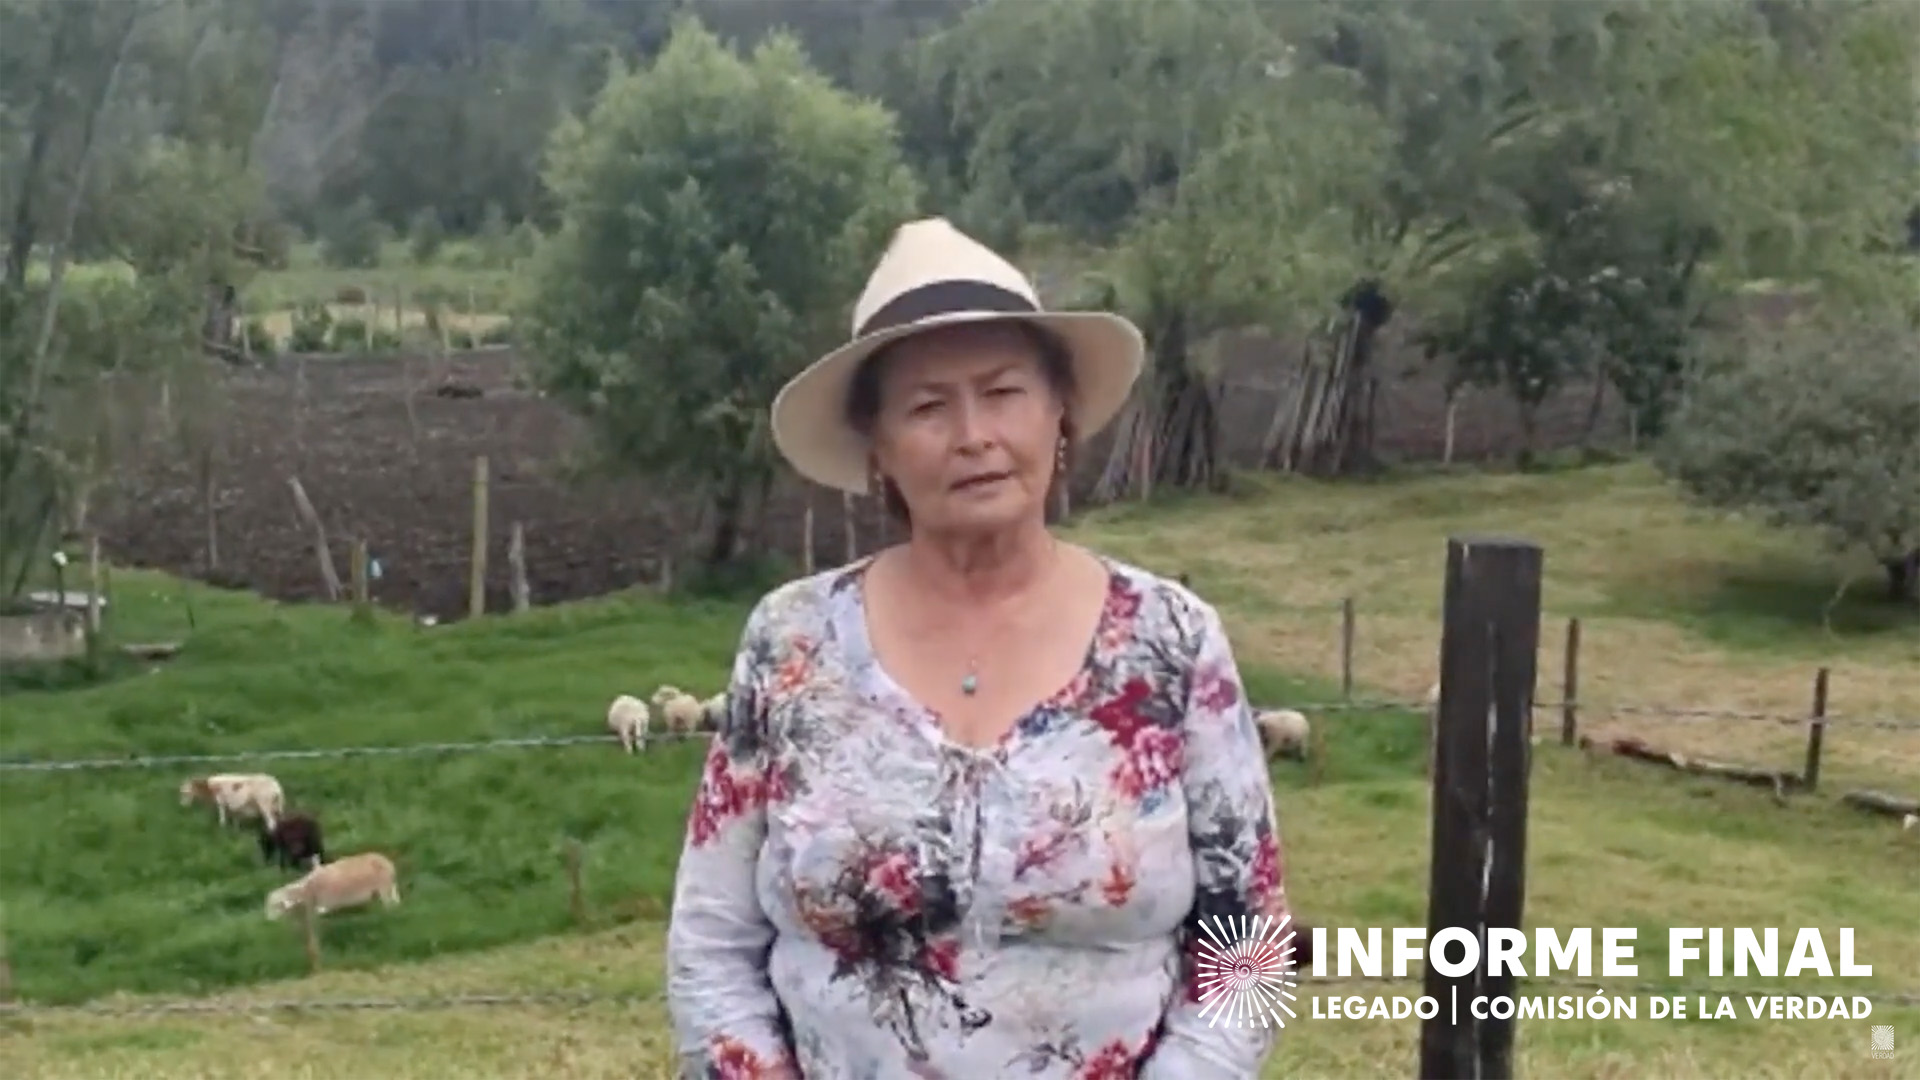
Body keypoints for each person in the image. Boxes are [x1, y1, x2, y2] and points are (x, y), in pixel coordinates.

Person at [666, 217, 1291, 1078]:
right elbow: (710, 942)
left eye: (1003, 393)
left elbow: (1251, 950)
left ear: (1059, 414)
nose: (973, 435)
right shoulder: (790, 642)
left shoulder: (1171, 641)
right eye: (927, 407)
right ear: (877, 447)